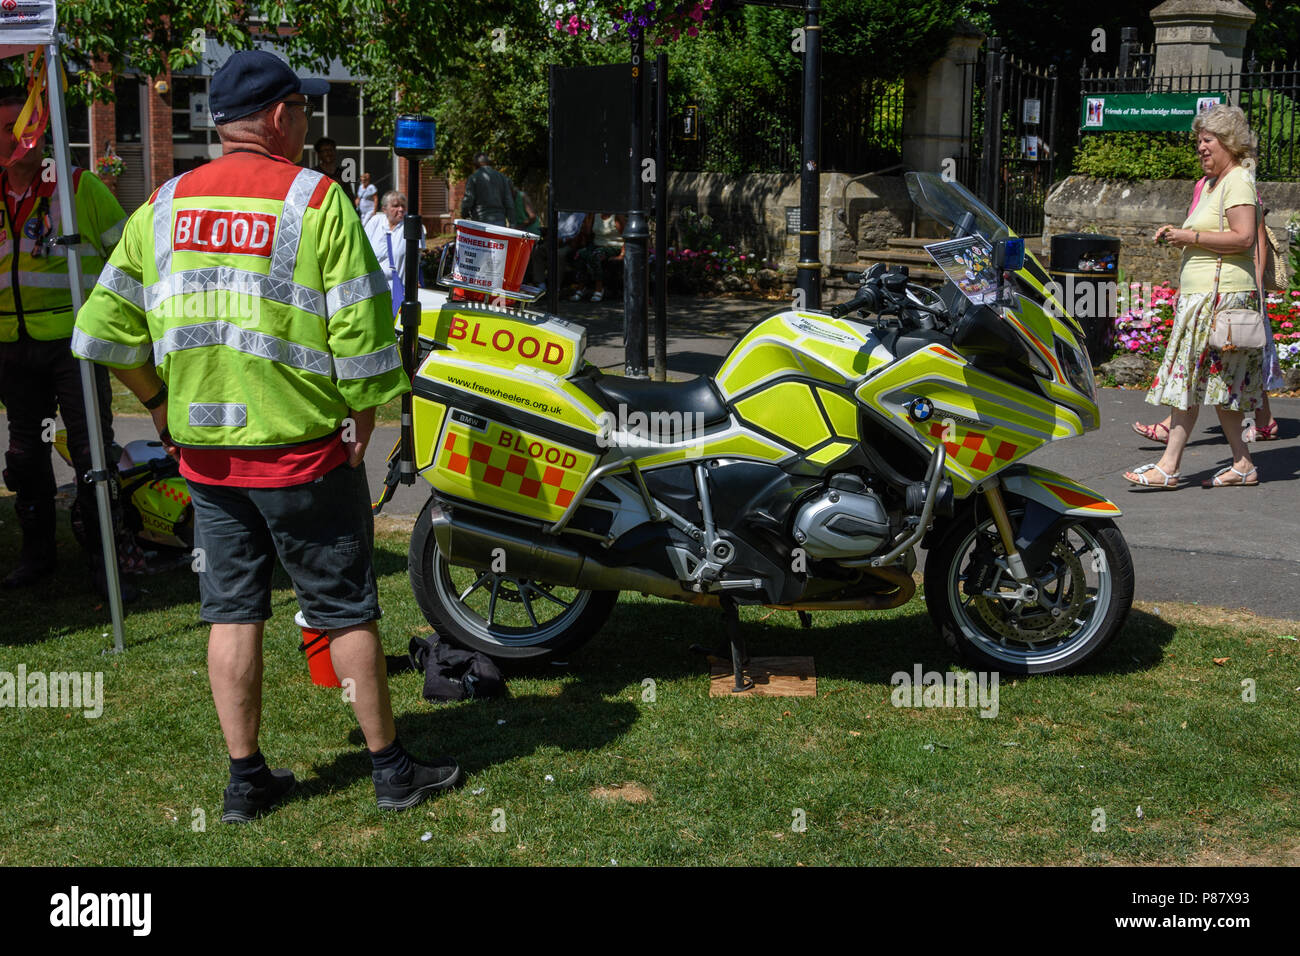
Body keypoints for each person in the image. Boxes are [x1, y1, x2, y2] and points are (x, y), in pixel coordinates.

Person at [71, 50, 460, 822]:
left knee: (230, 612)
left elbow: (99, 332)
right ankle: (388, 770)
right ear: (281, 115)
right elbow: (361, 325)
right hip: (303, 454)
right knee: (345, 610)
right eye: (303, 110)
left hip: (207, 462)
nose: (308, 122)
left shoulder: (163, 205)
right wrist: (368, 413)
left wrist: (155, 402)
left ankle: (245, 781)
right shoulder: (317, 201)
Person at [0, 85, 133, 596]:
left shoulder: (78, 187)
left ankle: (107, 561)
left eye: (18, 128)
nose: (12, 141)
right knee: (25, 455)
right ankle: (36, 556)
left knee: (90, 453)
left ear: (36, 134)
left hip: (74, 346)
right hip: (14, 346)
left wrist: (108, 323)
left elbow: (126, 259)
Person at [1124, 105, 1264, 490]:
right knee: (1216, 385)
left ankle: (1169, 466)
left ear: (1229, 143)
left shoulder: (1237, 180)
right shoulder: (1214, 184)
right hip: (1204, 297)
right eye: (1198, 141)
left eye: (1208, 140)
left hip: (1220, 300)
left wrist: (1190, 237)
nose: (1200, 148)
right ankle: (1243, 465)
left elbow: (1245, 238)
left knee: (1189, 379)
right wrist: (1178, 234)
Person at [1132, 177, 1284, 445]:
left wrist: (1256, 291)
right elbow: (1198, 240)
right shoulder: (1203, 185)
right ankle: (1260, 427)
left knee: (1224, 359)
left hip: (1232, 292)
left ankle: (1244, 444)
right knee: (1230, 360)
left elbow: (1255, 240)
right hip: (1206, 291)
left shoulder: (1241, 184)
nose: (1202, 149)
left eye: (1208, 142)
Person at [364, 190, 425, 315]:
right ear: (384, 209)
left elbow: (417, 258)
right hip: (375, 289)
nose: (401, 209)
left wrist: (415, 280)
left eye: (403, 206)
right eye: (396, 206)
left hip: (401, 290)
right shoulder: (375, 222)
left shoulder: (412, 226)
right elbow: (363, 251)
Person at [570, 212, 624, 303]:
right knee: (580, 254)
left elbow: (626, 236)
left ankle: (599, 288)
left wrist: (622, 255)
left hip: (614, 247)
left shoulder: (616, 216)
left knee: (595, 255)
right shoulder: (595, 215)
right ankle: (581, 287)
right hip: (597, 245)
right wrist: (589, 217)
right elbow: (587, 232)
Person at [459, 152, 514, 226]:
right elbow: (508, 201)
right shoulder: (502, 177)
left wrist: (464, 214)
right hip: (499, 221)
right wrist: (512, 222)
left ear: (475, 164)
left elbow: (468, 199)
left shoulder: (474, 178)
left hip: (480, 221)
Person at [312, 136, 356, 209]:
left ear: (335, 152)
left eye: (330, 150)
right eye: (324, 150)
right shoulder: (313, 174)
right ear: (318, 154)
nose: (328, 153)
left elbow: (350, 197)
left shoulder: (343, 174)